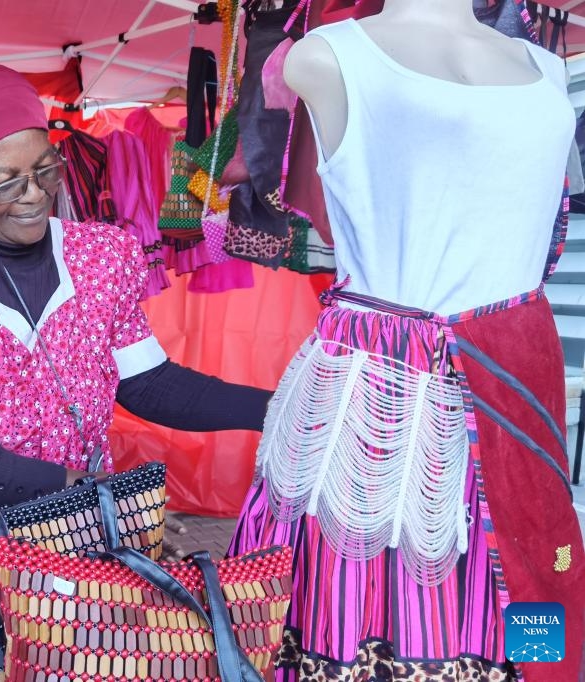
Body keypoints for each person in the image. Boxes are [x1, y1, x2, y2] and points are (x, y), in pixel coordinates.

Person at [0, 47, 273, 602]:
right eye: (5, 182)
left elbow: (150, 384)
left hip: (62, 530)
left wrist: (275, 409)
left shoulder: (99, 255)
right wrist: (83, 495)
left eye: (44, 169)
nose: (35, 194)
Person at [230, 0, 585, 679]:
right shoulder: (329, 54)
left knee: (534, 558)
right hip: (388, 387)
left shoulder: (544, 67)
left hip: (517, 375)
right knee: (387, 593)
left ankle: (539, 667)